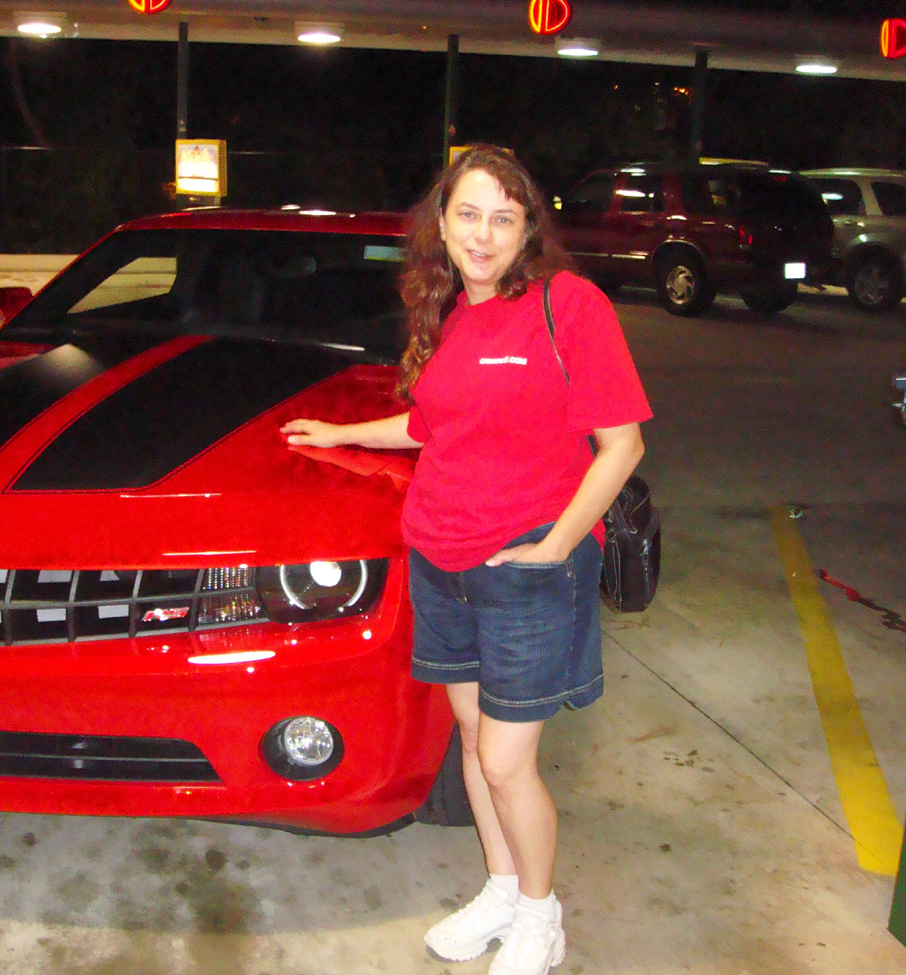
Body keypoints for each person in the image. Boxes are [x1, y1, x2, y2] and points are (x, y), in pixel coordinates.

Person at [281, 145, 651, 975]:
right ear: (441, 226)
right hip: (440, 557)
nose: (483, 235)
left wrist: (558, 543)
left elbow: (621, 444)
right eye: (468, 215)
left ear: (528, 230)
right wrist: (340, 432)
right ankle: (501, 888)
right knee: (475, 738)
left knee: (506, 760)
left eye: (503, 218)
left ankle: (541, 915)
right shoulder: (449, 314)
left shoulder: (568, 304)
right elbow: (428, 426)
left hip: (526, 570)